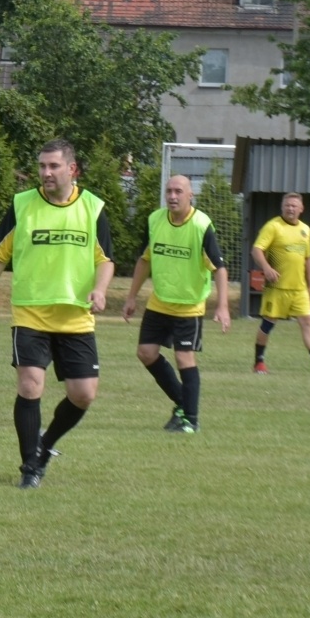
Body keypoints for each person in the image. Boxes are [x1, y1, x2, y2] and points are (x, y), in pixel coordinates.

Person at [0, 140, 115, 489]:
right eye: (42, 166)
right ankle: (30, 466)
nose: (46, 172)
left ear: (72, 170)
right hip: (30, 314)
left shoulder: (93, 207)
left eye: (53, 166)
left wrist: (101, 289)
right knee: (30, 385)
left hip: (75, 318)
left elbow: (105, 259)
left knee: (84, 394)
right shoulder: (22, 205)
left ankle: (44, 447)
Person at [122, 175, 231, 433]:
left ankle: (191, 420)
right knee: (146, 353)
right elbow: (144, 260)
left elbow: (220, 268)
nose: (172, 196)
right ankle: (183, 402)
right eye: (169, 191)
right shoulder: (155, 220)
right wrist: (131, 296)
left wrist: (222, 305)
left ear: (190, 195)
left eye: (178, 191)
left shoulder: (201, 225)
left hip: (189, 305)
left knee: (184, 358)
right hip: (160, 301)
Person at [251, 192, 310, 374]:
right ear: (282, 207)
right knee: (268, 324)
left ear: (301, 209)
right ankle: (259, 361)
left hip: (299, 289)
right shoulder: (273, 226)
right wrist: (266, 268)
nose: (290, 208)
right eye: (287, 205)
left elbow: (307, 260)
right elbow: (256, 250)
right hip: (277, 287)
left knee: (307, 322)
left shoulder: (306, 230)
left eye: (294, 206)